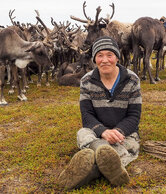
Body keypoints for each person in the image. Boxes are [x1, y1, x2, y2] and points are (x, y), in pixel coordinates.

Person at [58, 36, 142, 190]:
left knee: (127, 144)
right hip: (97, 132)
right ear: (94, 59)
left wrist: (117, 132)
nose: (105, 60)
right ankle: (109, 161)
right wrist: (103, 132)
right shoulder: (86, 81)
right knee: (83, 133)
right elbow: (87, 115)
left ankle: (91, 170)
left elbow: (134, 116)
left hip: (124, 133)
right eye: (100, 55)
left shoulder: (132, 80)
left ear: (117, 57)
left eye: (109, 55)